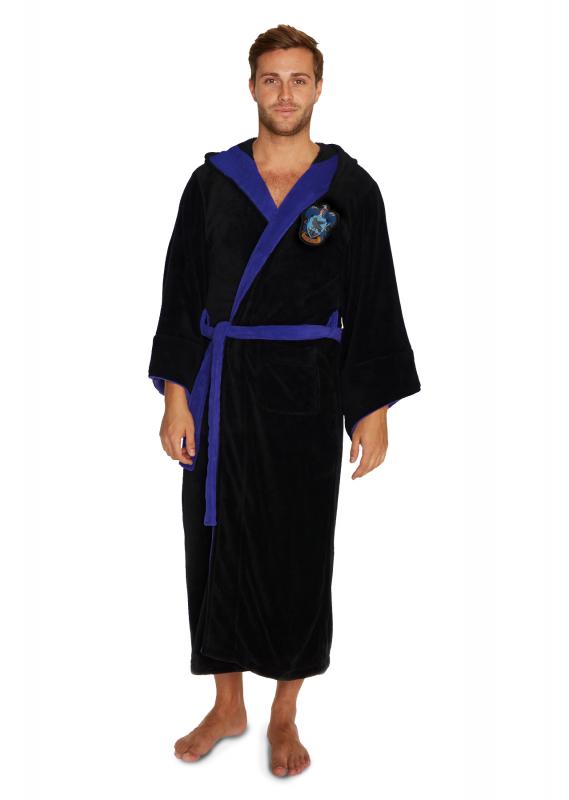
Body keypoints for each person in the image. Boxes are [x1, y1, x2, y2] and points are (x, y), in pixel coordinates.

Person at [147, 24, 421, 777]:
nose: (285, 93)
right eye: (271, 79)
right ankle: (227, 704)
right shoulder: (212, 183)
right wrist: (177, 398)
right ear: (251, 87)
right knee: (213, 546)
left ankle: (284, 712)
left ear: (318, 87)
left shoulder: (348, 189)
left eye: (299, 79)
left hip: (306, 392)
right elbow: (180, 296)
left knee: (298, 549)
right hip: (222, 392)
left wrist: (371, 407)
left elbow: (372, 298)